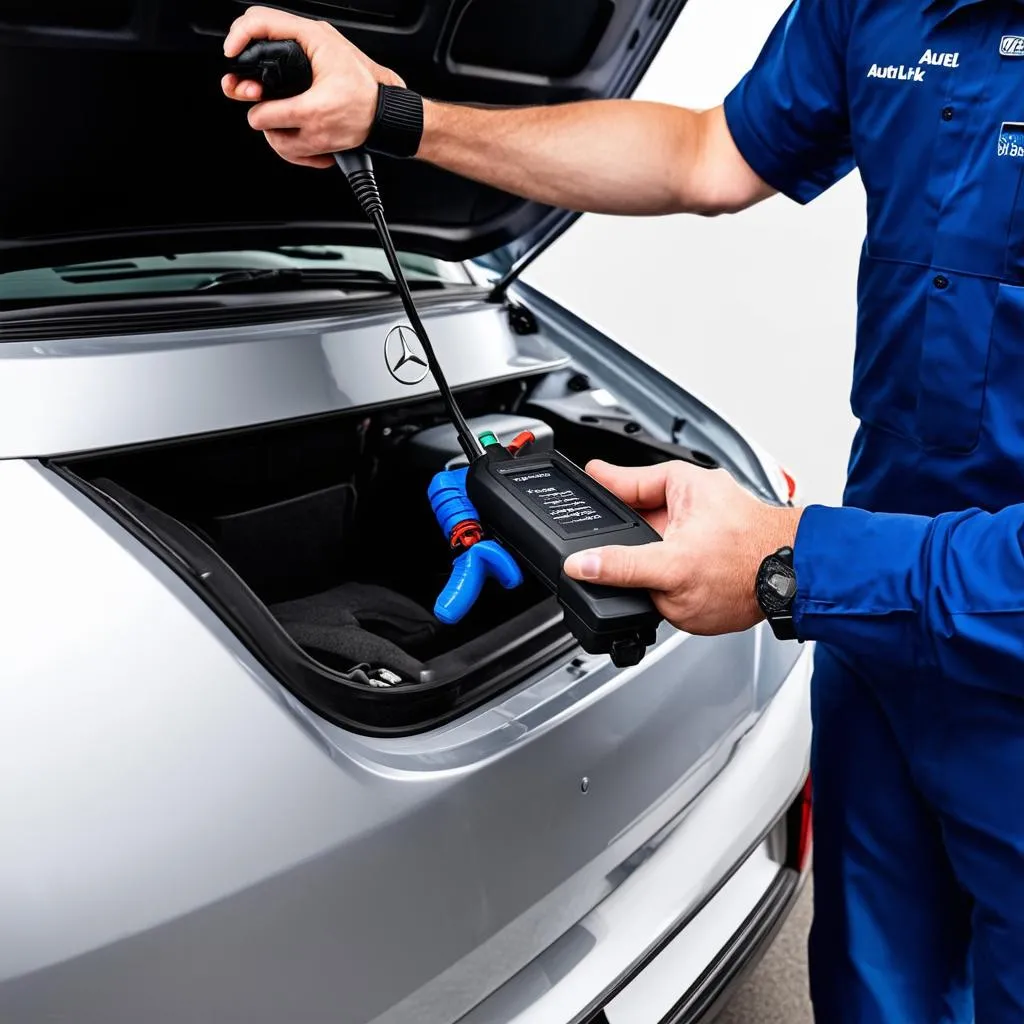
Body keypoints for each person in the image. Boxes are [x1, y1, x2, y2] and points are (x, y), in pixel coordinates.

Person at [222, 3, 1024, 1020]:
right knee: (875, 988)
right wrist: (395, 112)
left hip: (960, 624)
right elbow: (702, 154)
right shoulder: (875, 10)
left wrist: (793, 564)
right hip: (878, 633)